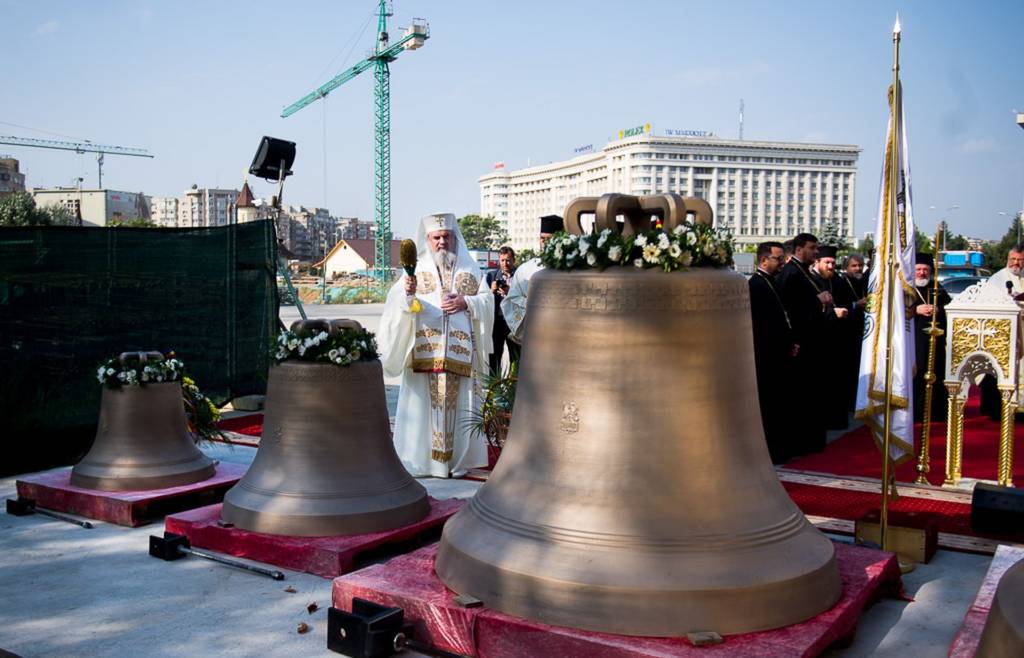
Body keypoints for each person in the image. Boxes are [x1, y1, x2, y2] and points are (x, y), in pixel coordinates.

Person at [379, 213, 493, 478]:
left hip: (459, 352)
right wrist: (407, 295)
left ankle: (456, 463)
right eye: (437, 237)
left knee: (459, 407)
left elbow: (487, 301)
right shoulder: (415, 269)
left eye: (447, 237)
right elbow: (398, 303)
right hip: (425, 351)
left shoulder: (470, 268)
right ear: (428, 239)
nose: (442, 242)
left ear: (454, 238)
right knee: (422, 408)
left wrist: (466, 302)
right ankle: (424, 463)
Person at [777, 233, 830, 455]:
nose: (816, 252)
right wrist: (817, 300)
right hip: (802, 343)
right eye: (812, 248)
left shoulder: (803, 272)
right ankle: (802, 442)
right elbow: (790, 309)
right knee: (801, 395)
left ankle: (812, 440)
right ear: (799, 249)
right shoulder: (791, 273)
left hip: (813, 342)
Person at [748, 241, 797, 463]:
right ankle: (771, 451)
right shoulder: (756, 285)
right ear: (764, 260)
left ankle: (781, 447)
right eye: (778, 259)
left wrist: (790, 341)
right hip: (767, 356)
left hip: (780, 353)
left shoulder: (772, 283)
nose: (782, 263)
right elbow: (762, 325)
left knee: (780, 404)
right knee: (770, 405)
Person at [502, 215, 564, 344]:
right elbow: (510, 300)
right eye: (542, 239)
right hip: (534, 332)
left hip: (563, 332)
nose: (545, 243)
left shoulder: (571, 269)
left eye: (550, 239)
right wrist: (532, 304)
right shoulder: (525, 270)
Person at [979, 247, 1024, 418]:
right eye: (1012, 259)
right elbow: (987, 304)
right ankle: (1003, 408)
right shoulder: (997, 279)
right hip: (1004, 331)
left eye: (1019, 260)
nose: (1015, 263)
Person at [810, 245, 850, 430]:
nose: (831, 266)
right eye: (827, 262)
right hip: (820, 338)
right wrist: (833, 313)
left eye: (833, 263)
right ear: (817, 262)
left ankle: (837, 420)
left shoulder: (837, 281)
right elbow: (809, 309)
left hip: (838, 339)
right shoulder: (811, 280)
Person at [910, 252, 951, 422]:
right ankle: (916, 413)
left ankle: (935, 412)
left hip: (936, 341)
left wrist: (938, 309)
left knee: (936, 372)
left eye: (925, 270)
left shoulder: (938, 288)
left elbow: (949, 307)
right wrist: (915, 310)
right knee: (917, 374)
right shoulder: (906, 289)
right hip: (914, 340)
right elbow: (896, 312)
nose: (922, 273)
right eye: (918, 269)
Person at [836, 254, 868, 412]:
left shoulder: (863, 282)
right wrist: (856, 304)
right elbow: (839, 305)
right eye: (854, 266)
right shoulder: (841, 283)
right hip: (847, 333)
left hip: (862, 331)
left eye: (860, 265)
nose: (858, 269)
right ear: (846, 268)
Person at [485, 246, 520, 375]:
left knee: (516, 357)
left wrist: (511, 291)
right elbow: (483, 299)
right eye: (503, 260)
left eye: (508, 260)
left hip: (514, 322)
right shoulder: (491, 276)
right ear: (499, 260)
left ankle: (515, 384)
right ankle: (493, 385)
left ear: (514, 260)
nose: (505, 263)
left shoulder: (520, 276)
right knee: (494, 357)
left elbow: (526, 296)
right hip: (497, 322)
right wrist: (492, 291)